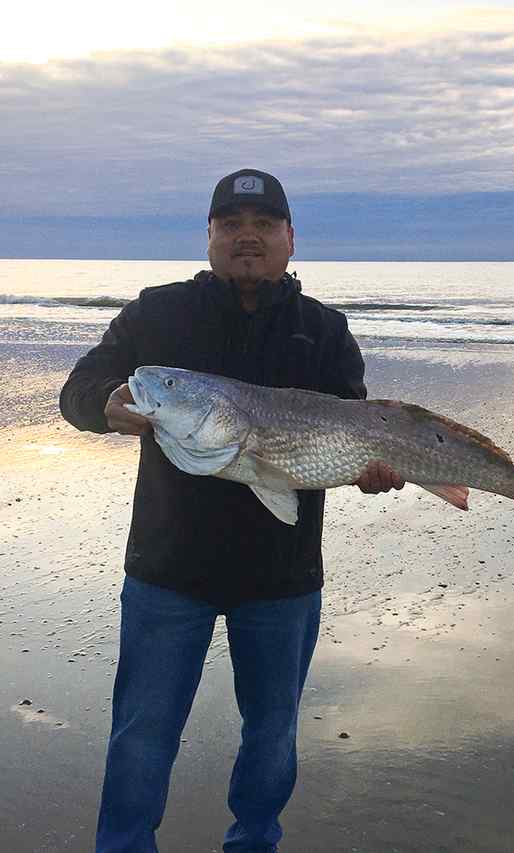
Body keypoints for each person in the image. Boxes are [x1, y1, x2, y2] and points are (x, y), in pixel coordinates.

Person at [59, 168, 404, 853]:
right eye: (231, 224)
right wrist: (104, 405)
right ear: (210, 236)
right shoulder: (156, 316)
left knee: (272, 736)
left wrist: (375, 471)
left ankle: (255, 844)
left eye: (265, 224)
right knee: (141, 733)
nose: (248, 236)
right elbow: (81, 387)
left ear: (290, 238)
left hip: (282, 578)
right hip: (167, 570)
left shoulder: (325, 330)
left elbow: (360, 426)